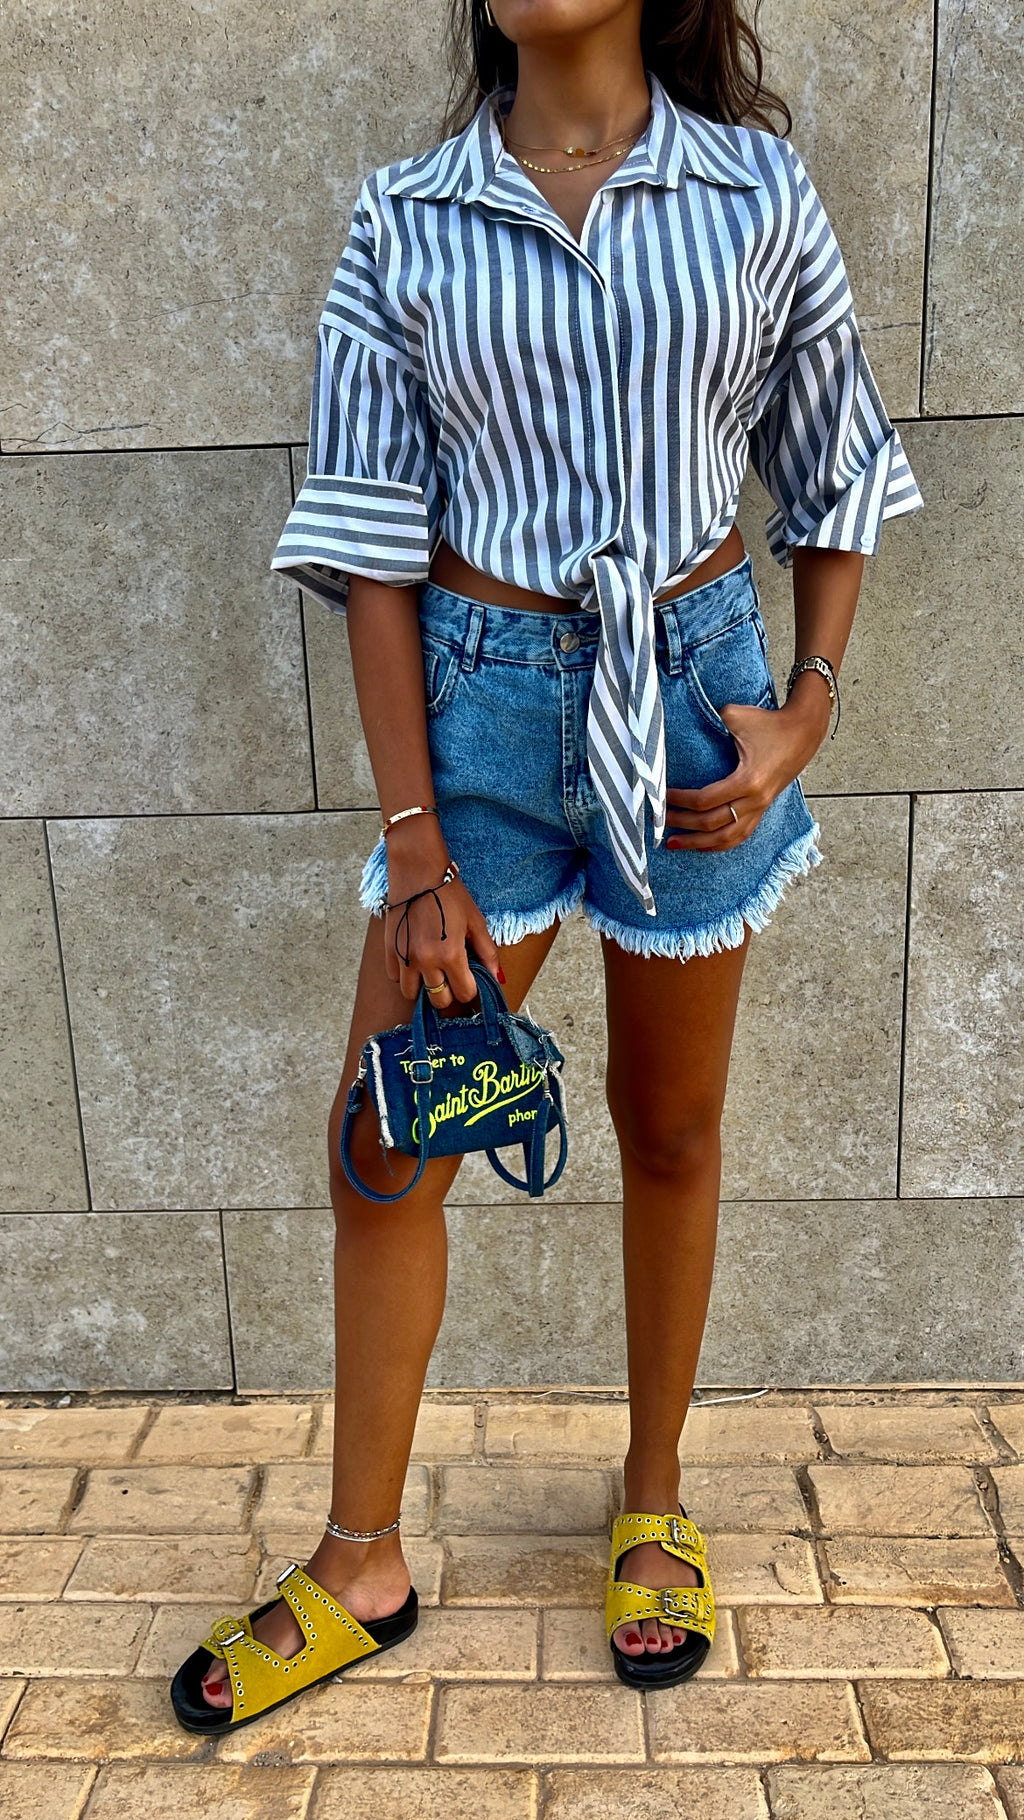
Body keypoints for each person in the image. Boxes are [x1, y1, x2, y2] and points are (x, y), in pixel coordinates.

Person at [171, 0, 924, 1728]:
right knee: (386, 1137)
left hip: (696, 708)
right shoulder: (407, 216)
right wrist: (412, 834)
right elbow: (372, 548)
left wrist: (805, 706)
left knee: (671, 1126)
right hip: (483, 725)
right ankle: (364, 1557)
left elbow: (835, 457)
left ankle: (651, 1494)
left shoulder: (753, 192)